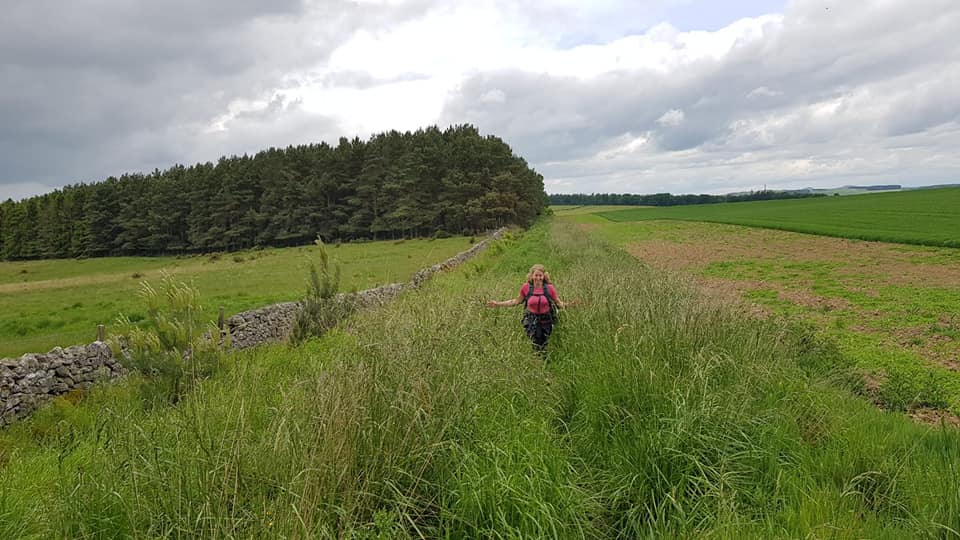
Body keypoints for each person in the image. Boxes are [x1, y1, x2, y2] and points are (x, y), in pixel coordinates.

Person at [486, 264, 570, 353]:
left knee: (544, 343)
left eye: (540, 275)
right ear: (532, 276)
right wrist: (497, 304)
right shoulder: (526, 288)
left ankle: (544, 360)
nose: (538, 278)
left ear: (544, 276)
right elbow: (515, 301)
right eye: (536, 275)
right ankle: (538, 360)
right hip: (531, 321)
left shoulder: (549, 288)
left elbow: (558, 303)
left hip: (546, 321)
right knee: (535, 343)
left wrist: (570, 305)